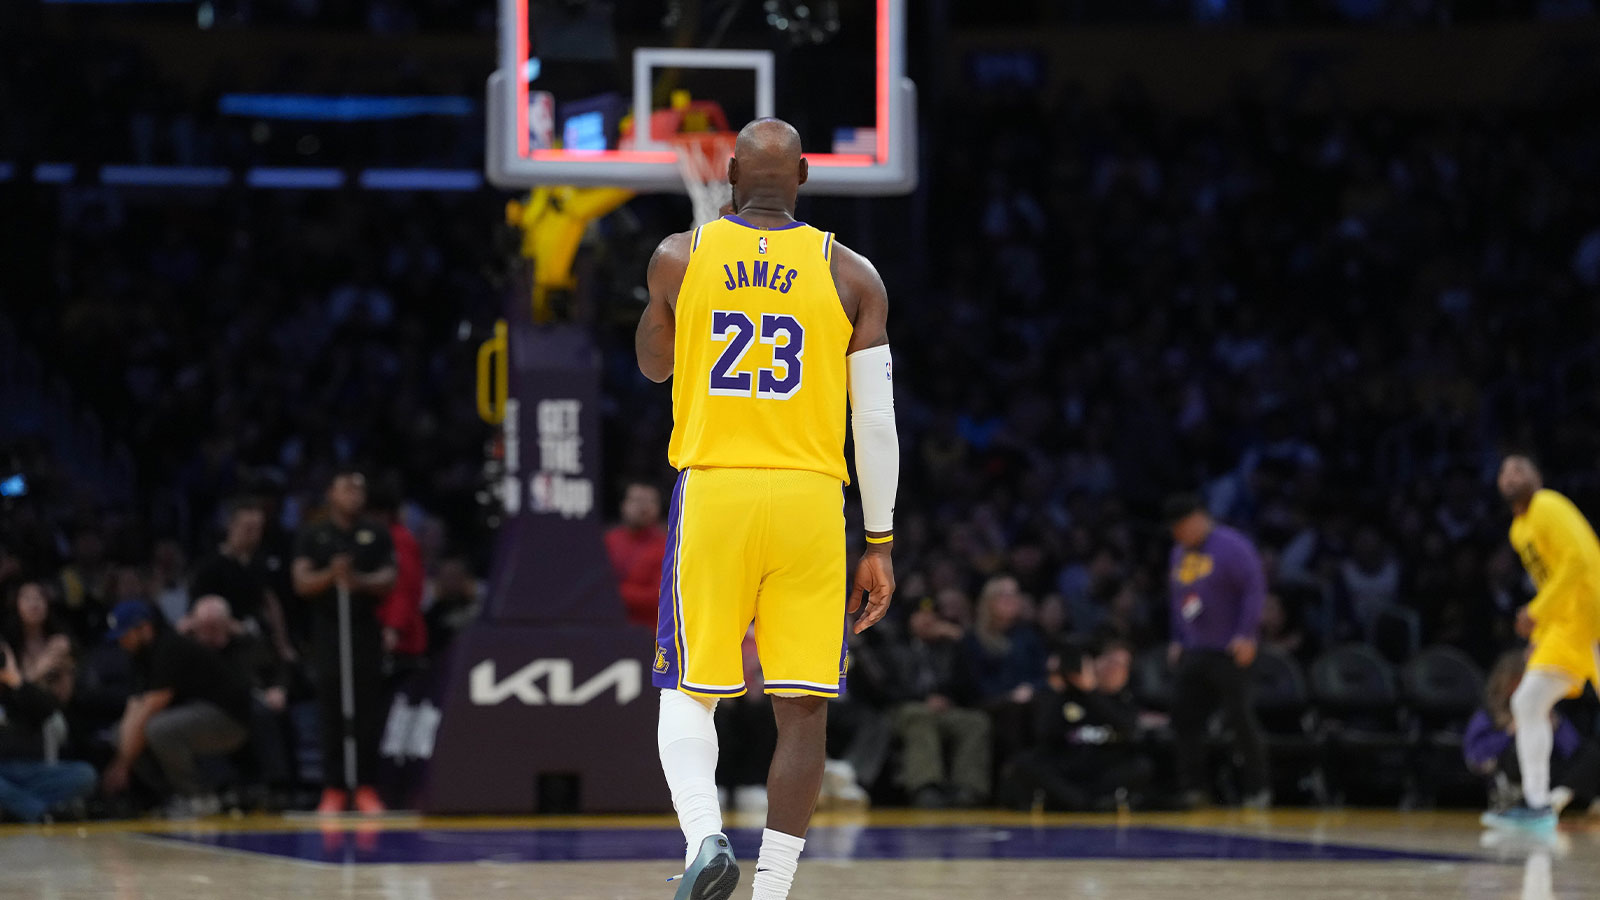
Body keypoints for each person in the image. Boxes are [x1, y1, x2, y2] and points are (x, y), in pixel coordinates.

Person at [635, 117, 898, 900]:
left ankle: (704, 840)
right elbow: (875, 424)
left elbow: (653, 367)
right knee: (803, 711)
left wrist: (667, 305)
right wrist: (878, 541)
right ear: (806, 177)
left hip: (718, 488)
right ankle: (773, 889)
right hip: (812, 501)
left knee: (689, 689)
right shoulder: (853, 274)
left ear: (728, 175)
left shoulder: (680, 255)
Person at [1484, 456, 1600, 832]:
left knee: (1529, 703)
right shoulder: (1520, 530)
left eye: (1520, 468)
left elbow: (1579, 561)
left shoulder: (1548, 504)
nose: (1511, 475)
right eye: (1504, 471)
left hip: (1593, 612)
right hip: (1568, 625)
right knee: (1527, 702)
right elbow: (1550, 579)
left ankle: (1539, 805)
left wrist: (1537, 612)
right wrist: (1540, 633)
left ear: (1538, 476)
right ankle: (1537, 807)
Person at [292, 469, 397, 815]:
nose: (354, 494)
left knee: (367, 708)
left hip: (364, 628)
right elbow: (302, 581)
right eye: (346, 488)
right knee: (331, 709)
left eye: (359, 488)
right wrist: (331, 576)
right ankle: (334, 787)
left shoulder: (375, 533)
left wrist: (357, 581)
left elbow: (388, 577)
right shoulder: (314, 534)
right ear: (331, 494)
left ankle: (365, 785)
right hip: (328, 631)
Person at [1164, 493, 1270, 809]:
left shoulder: (1232, 545)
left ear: (1197, 519)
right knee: (1184, 717)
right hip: (1195, 648)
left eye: (1181, 527)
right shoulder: (1178, 553)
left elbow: (1254, 589)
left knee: (1240, 719)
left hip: (1229, 649)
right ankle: (1194, 787)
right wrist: (1178, 637)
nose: (1177, 535)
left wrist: (1247, 635)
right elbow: (1178, 597)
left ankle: (1257, 788)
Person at [102, 600, 254, 818]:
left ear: (144, 628)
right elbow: (134, 707)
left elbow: (151, 707)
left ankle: (199, 798)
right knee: (121, 734)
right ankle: (172, 796)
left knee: (157, 729)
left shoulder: (169, 647)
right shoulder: (139, 656)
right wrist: (120, 759)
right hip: (192, 717)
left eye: (125, 635)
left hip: (228, 720)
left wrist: (121, 766)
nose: (122, 642)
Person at [1466, 652, 1600, 819]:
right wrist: (1509, 732)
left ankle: (1557, 798)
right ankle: (1532, 802)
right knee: (1517, 749)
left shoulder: (1544, 705)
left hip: (1550, 775)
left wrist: (1556, 726)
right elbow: (1474, 757)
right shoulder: (1489, 712)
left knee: (1592, 752)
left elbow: (1573, 749)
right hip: (1511, 778)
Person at [0, 641, 97, 823]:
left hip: (34, 772)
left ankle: (13, 808)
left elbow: (49, 710)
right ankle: (41, 812)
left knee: (85, 774)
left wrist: (17, 681)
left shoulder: (22, 691)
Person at [190, 500, 296, 662]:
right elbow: (199, 612)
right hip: (222, 648)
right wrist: (235, 628)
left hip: (256, 644)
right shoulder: (210, 566)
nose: (254, 535)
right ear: (231, 526)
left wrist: (282, 643)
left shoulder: (258, 563)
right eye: (248, 529)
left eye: (258, 529)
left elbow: (269, 601)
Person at [605, 481, 669, 627]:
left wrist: (613, 592)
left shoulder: (667, 546)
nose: (643, 507)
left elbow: (659, 596)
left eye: (650, 501)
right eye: (637, 500)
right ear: (623, 505)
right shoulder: (609, 541)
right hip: (607, 628)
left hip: (649, 634)